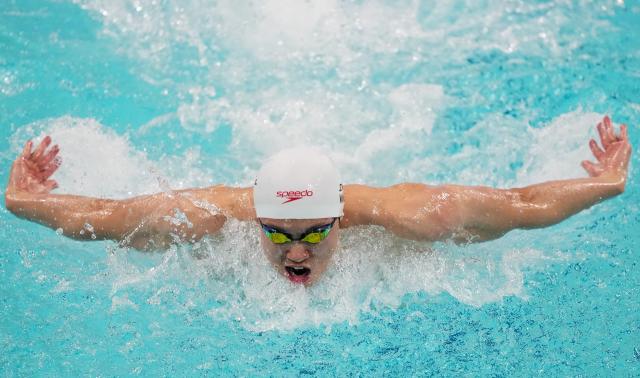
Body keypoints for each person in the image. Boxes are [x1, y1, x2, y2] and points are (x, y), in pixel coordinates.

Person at [4, 116, 632, 285]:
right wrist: (23, 200)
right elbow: (102, 219)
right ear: (255, 215)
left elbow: (522, 206)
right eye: (277, 232)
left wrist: (605, 184)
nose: (296, 251)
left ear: (340, 217)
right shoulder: (209, 216)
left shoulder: (414, 214)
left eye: (313, 232)